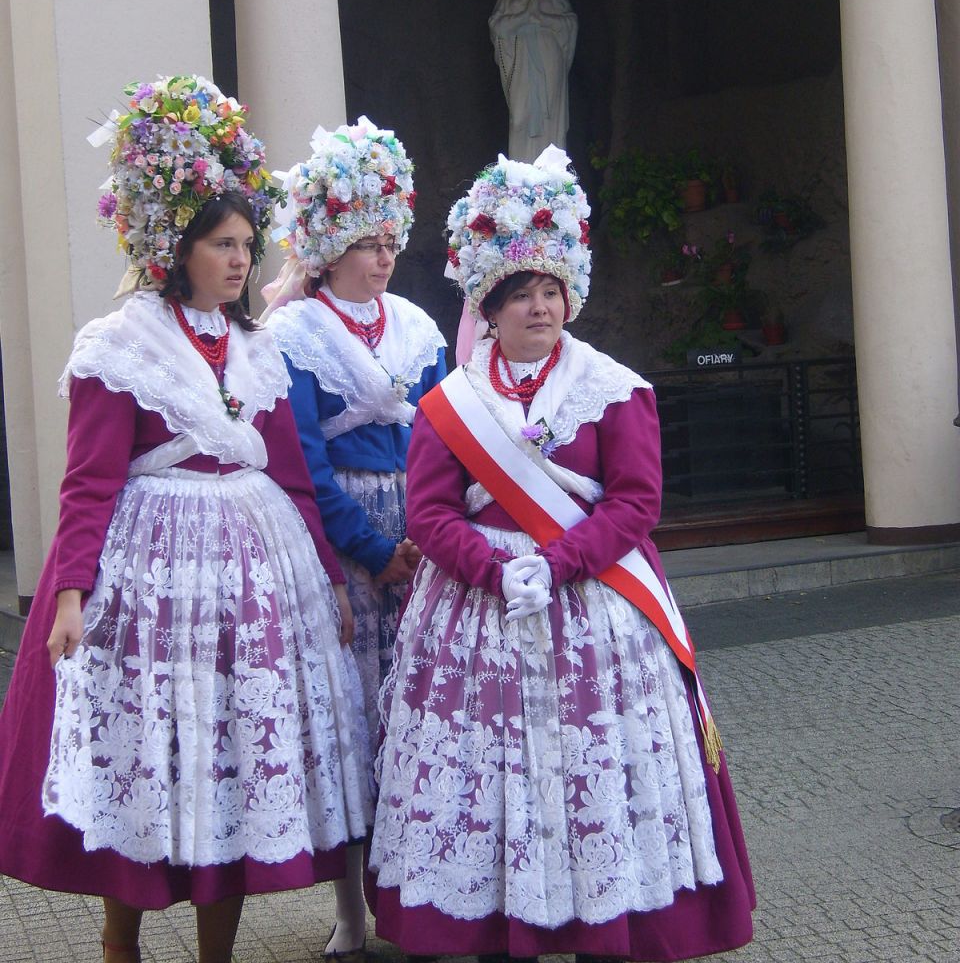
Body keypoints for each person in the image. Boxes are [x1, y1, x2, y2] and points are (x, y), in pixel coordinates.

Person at [0, 76, 372, 963]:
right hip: (150, 582)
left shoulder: (257, 350)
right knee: (146, 750)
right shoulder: (120, 347)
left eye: (248, 244)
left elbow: (293, 478)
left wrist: (328, 576)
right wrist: (70, 595)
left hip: (254, 590)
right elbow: (88, 483)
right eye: (222, 244)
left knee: (237, 764)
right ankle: (119, 944)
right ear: (178, 248)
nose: (241, 261)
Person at [367, 145, 756, 961]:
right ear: (491, 306)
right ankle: (497, 920)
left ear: (569, 296)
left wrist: (557, 563)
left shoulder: (614, 388)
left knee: (594, 771)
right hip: (479, 613)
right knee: (493, 775)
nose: (539, 308)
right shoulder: (448, 406)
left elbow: (637, 504)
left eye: (551, 291)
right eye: (521, 295)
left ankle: (606, 920)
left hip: (595, 609)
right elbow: (431, 514)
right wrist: (496, 570)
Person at [265, 116, 446, 963]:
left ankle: (429, 893)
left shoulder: (415, 324)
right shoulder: (295, 334)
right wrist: (372, 550)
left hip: (428, 528)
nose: (382, 258)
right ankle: (349, 906)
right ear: (328, 245)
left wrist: (437, 525)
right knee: (351, 718)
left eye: (389, 241)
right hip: (345, 541)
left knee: (422, 712)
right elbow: (301, 457)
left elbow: (446, 431)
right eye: (366, 243)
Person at [489, 0, 578, 163]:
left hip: (550, 55)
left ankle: (552, 174)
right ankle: (521, 171)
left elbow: (569, 23)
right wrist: (522, 18)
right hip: (521, 57)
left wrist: (541, 19)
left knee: (550, 112)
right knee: (520, 116)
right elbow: (496, 25)